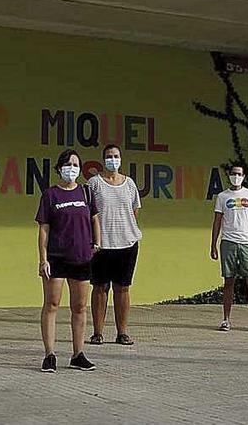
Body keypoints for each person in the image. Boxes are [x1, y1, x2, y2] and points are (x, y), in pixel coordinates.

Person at [37, 149, 99, 372]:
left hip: (82, 257)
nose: (71, 168)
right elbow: (44, 229)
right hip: (56, 257)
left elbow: (94, 219)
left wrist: (96, 244)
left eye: (75, 164)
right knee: (52, 304)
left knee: (80, 307)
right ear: (59, 167)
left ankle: (78, 354)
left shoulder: (85, 192)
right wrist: (43, 259)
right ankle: (50, 354)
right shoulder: (50, 195)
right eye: (67, 164)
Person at [88, 143, 142, 346]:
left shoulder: (129, 184)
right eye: (109, 156)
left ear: (121, 159)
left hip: (127, 243)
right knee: (100, 288)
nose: (113, 159)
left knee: (123, 288)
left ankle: (122, 332)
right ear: (103, 160)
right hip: (101, 245)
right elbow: (89, 213)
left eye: (116, 156)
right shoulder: (94, 183)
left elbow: (135, 209)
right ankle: (97, 332)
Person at [210, 163, 248, 333]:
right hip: (228, 242)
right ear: (229, 175)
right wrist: (213, 244)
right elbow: (217, 221)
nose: (236, 176)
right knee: (229, 281)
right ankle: (226, 319)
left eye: (239, 174)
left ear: (243, 176)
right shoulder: (222, 196)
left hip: (247, 243)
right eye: (233, 173)